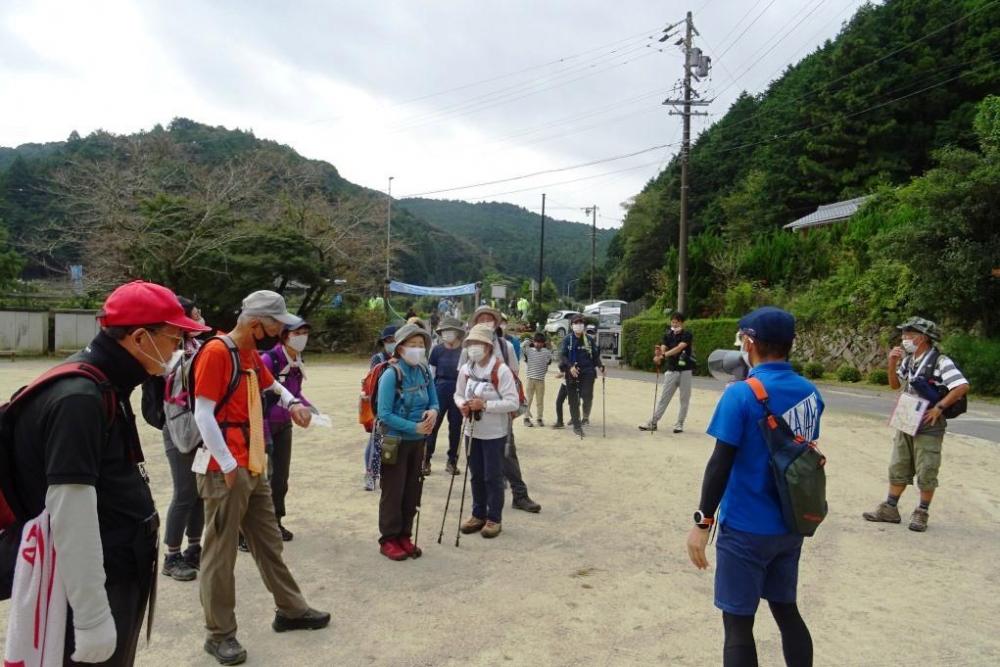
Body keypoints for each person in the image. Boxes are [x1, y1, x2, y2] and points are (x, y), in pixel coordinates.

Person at [7, 280, 210, 664]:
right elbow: (71, 510)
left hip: (118, 563)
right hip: (96, 578)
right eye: (175, 338)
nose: (181, 349)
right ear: (138, 338)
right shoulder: (79, 398)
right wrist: (91, 616)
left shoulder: (105, 381)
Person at [193, 290, 329, 665]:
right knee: (219, 554)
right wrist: (227, 463)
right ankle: (219, 635)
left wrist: (294, 404)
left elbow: (273, 385)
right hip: (227, 470)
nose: (279, 332)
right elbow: (202, 413)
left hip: (252, 463)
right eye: (275, 325)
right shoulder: (217, 352)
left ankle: (291, 609)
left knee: (268, 541)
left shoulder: (248, 354)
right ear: (256, 324)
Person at [686, 306, 823, 667]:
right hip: (790, 524)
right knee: (786, 611)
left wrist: (703, 522)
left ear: (749, 342)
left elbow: (720, 463)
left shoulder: (741, 395)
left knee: (738, 625)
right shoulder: (812, 394)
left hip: (746, 526)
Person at [862, 317, 969, 532]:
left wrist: (939, 408)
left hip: (929, 422)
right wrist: (891, 362)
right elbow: (894, 385)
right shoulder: (909, 360)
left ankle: (922, 511)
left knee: (927, 467)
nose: (904, 338)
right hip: (907, 417)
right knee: (899, 463)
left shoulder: (941, 361)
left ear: (922, 338)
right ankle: (890, 508)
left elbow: (961, 386)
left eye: (909, 334)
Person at [459, 305, 541, 513]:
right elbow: (462, 379)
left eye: (489, 319)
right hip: (475, 414)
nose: (486, 322)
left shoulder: (506, 347)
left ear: (496, 323)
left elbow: (513, 376)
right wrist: (464, 403)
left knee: (507, 451)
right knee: (480, 460)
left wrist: (506, 405)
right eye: (481, 319)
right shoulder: (468, 350)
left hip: (500, 410)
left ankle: (518, 494)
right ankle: (487, 502)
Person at [375, 322, 439, 561]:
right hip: (394, 440)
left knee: (413, 489)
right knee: (393, 490)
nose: (417, 349)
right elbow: (384, 414)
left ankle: (404, 534)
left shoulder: (423, 371)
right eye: (412, 345)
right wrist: (414, 426)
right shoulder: (391, 375)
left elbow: (434, 401)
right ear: (399, 348)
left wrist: (433, 412)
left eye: (421, 345)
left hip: (418, 442)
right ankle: (388, 538)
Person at [160, 296, 209, 582]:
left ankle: (194, 548)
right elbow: (159, 402)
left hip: (199, 428)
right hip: (179, 431)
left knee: (199, 492)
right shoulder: (171, 355)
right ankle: (171, 555)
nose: (200, 318)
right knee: (184, 493)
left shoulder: (197, 349)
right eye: (196, 314)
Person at [455, 324, 519, 539]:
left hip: (494, 433)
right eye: (471, 343)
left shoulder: (501, 370)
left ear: (489, 346)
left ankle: (494, 518)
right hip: (471, 431)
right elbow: (457, 394)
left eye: (478, 343)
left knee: (493, 476)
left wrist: (485, 406)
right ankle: (477, 513)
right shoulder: (466, 369)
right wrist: (463, 404)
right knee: (476, 475)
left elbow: (513, 402)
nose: (474, 347)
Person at [260, 320, 313, 542]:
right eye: (296, 333)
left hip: (284, 425)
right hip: (264, 425)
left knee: (281, 477)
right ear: (284, 336)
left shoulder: (296, 362)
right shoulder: (269, 359)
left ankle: (276, 521)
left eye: (305, 333)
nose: (301, 337)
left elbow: (295, 393)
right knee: (260, 478)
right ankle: (249, 530)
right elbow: (259, 395)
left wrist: (308, 409)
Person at [639, 311, 694, 434]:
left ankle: (679, 424)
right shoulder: (668, 334)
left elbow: (680, 348)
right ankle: (653, 422)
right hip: (672, 370)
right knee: (664, 398)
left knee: (684, 399)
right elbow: (664, 346)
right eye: (673, 322)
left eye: (676, 322)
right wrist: (658, 355)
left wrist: (663, 355)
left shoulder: (687, 334)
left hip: (685, 370)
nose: (674, 324)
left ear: (682, 323)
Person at [427, 317, 465, 476]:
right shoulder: (436, 350)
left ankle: (452, 461)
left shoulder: (465, 351)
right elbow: (431, 374)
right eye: (444, 331)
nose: (447, 334)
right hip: (439, 389)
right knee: (432, 426)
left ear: (458, 333)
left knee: (455, 427)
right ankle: (425, 459)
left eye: (450, 331)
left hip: (458, 390)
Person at [560, 315, 605, 437]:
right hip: (572, 372)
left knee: (587, 395)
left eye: (581, 323)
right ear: (571, 325)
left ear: (584, 326)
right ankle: (576, 425)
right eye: (576, 323)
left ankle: (585, 416)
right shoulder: (567, 340)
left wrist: (600, 366)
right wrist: (570, 367)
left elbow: (595, 356)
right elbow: (563, 356)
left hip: (587, 372)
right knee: (573, 400)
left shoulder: (589, 340)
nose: (579, 325)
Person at [364, 325, 397, 491]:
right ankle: (370, 474)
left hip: (396, 406)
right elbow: (374, 377)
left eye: (394, 340)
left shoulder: (402, 357)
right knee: (375, 441)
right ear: (383, 343)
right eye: (388, 341)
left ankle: (385, 475)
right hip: (379, 404)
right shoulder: (378, 358)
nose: (391, 344)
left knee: (390, 442)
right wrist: (386, 365)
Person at [522, 332, 553, 427]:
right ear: (534, 342)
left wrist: (548, 346)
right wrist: (530, 340)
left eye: (540, 342)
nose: (538, 344)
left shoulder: (546, 352)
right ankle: (526, 418)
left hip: (540, 380)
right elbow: (522, 345)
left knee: (540, 401)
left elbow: (548, 361)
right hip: (530, 379)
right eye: (536, 342)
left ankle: (539, 418)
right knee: (528, 399)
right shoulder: (529, 351)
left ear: (543, 343)